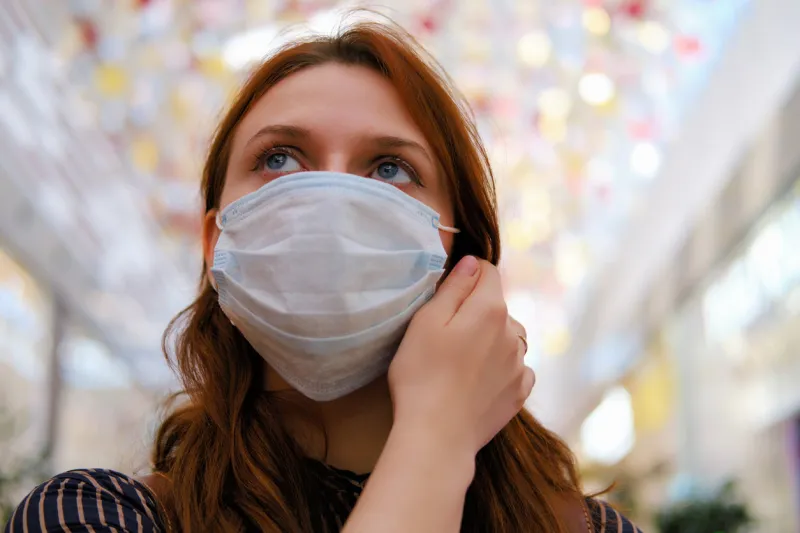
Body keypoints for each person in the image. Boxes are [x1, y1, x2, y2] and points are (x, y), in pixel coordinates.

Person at [4, 19, 642, 533]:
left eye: (390, 168)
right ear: (215, 241)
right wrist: (435, 440)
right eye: (280, 158)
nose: (331, 200)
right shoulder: (94, 515)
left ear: (458, 252)